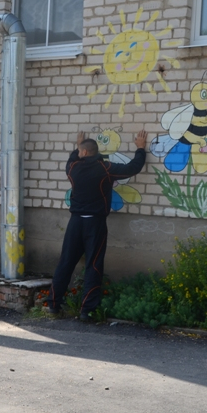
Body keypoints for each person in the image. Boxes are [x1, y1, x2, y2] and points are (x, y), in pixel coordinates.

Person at [47, 129, 148, 321]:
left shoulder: (73, 168)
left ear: (84, 152)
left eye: (80, 151)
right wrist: (141, 149)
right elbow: (133, 168)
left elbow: (72, 159)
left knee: (66, 262)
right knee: (93, 265)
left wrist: (77, 146)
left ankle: (53, 305)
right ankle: (87, 311)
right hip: (95, 223)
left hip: (75, 222)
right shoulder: (106, 168)